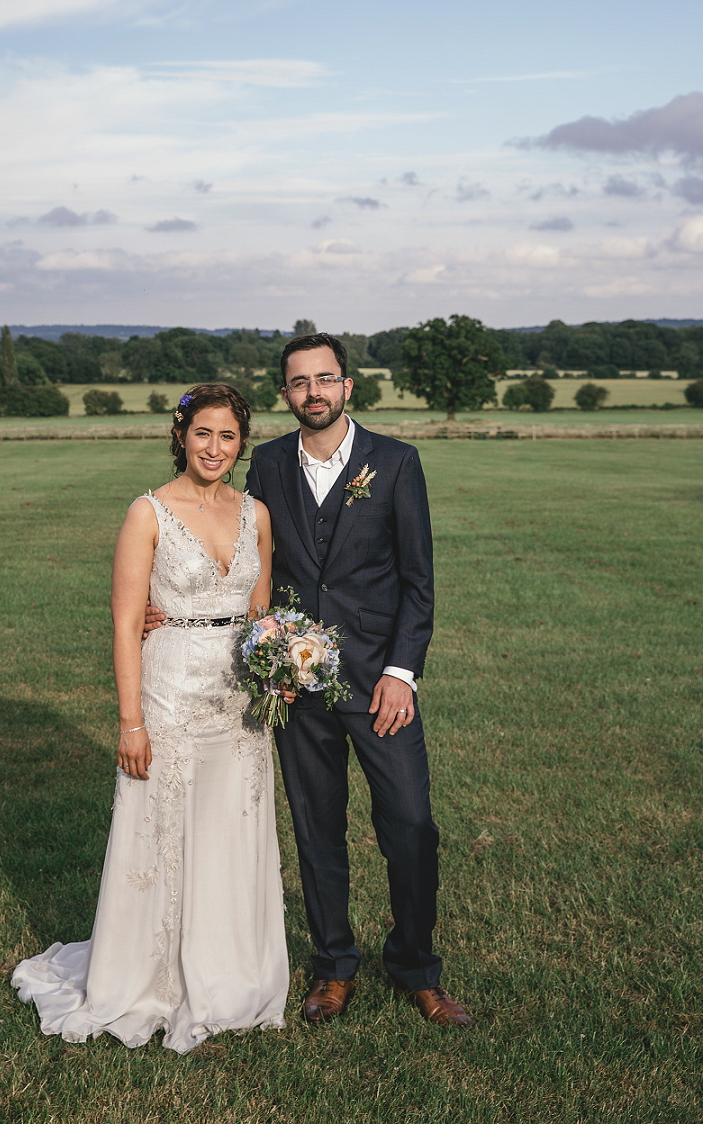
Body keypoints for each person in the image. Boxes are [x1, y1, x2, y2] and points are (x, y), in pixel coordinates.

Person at [12, 383, 289, 1054]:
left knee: (232, 830)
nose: (215, 448)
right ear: (181, 435)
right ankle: (149, 976)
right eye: (203, 434)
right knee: (163, 831)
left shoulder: (257, 513)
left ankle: (233, 973)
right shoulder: (148, 513)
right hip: (169, 693)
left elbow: (259, 614)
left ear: (240, 441)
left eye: (227, 436)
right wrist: (130, 721)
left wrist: (286, 657)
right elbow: (126, 622)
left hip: (239, 703)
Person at [243, 332, 475, 1028]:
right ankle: (333, 966)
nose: (312, 392)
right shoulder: (267, 464)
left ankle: (414, 965)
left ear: (348, 386)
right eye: (299, 382)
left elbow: (417, 580)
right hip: (297, 685)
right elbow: (251, 566)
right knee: (317, 830)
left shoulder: (396, 463)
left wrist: (403, 672)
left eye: (325, 379)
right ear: (285, 394)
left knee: (410, 824)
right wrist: (265, 656)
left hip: (381, 683)